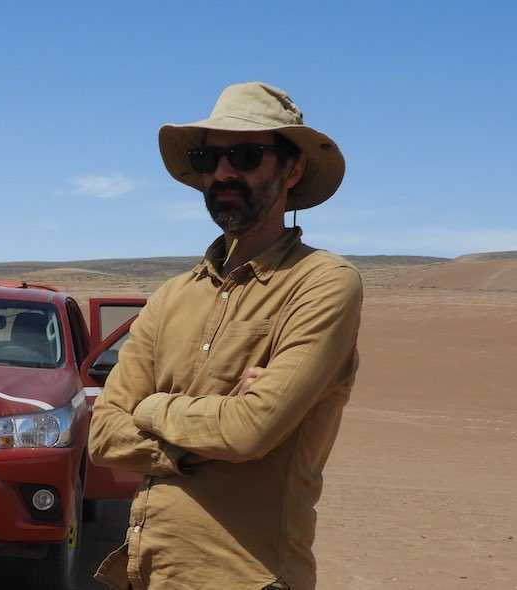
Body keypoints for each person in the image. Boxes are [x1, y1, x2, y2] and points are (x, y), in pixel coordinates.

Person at [88, 82, 363, 590]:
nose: (223, 173)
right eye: (209, 157)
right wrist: (198, 442)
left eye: (245, 154)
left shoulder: (322, 283)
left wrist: (149, 409)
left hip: (247, 578)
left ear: (293, 168)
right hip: (147, 574)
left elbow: (249, 430)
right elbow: (103, 435)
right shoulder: (173, 295)